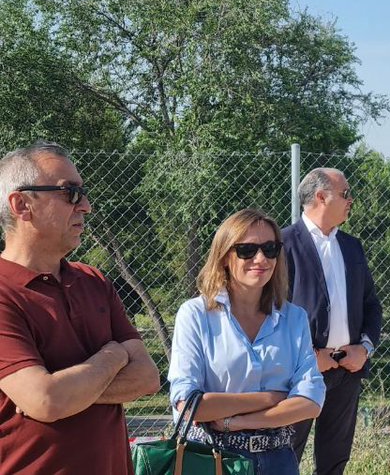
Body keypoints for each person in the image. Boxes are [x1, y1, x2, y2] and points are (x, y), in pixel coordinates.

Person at [0, 141, 161, 474]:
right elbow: (47, 400)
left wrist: (64, 394)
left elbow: (147, 378)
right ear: (21, 204)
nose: (85, 205)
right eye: (69, 193)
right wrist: (113, 356)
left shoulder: (93, 281)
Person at [167, 208, 325, 474]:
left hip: (279, 462)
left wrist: (234, 422)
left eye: (270, 248)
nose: (260, 258)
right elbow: (190, 404)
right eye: (247, 250)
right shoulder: (195, 315)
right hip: (211, 459)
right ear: (225, 256)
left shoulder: (294, 318)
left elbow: (311, 402)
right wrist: (270, 398)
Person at [284, 168, 382, 475]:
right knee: (285, 458)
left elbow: (371, 305)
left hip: (346, 373)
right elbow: (272, 313)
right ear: (321, 196)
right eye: (345, 194)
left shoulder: (352, 246)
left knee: (334, 461)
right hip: (299, 375)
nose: (351, 200)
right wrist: (309, 358)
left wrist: (364, 348)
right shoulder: (284, 244)